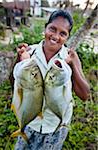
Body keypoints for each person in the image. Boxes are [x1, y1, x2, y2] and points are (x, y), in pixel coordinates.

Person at [13, 10, 90, 150]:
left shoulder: (69, 57)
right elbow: (14, 83)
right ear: (45, 28)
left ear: (67, 37)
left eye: (63, 33)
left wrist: (73, 66)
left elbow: (84, 95)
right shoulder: (30, 53)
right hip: (31, 123)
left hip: (55, 128)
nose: (55, 36)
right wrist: (18, 59)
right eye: (52, 29)